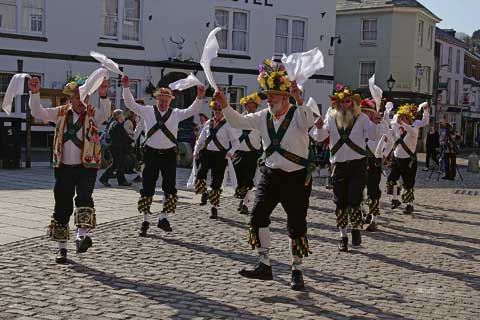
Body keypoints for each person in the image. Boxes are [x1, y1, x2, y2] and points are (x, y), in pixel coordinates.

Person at [218, 58, 314, 291]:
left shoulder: (299, 113)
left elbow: (309, 122)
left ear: (284, 97)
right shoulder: (263, 116)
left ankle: (297, 269)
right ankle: (264, 264)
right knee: (257, 216)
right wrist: (224, 105)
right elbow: (237, 121)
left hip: (297, 178)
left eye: (272, 95)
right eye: (267, 95)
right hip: (270, 175)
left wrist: (300, 99)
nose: (268, 99)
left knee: (296, 225)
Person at [28, 75, 111, 264]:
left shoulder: (93, 114)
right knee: (62, 206)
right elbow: (37, 111)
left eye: (86, 96)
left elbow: (106, 112)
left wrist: (104, 94)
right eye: (78, 96)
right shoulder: (60, 112)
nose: (82, 100)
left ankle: (81, 237)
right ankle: (62, 249)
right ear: (71, 98)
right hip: (63, 167)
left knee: (84, 199)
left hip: (86, 167)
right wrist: (34, 92)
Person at [121, 75, 206, 237]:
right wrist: (126, 87)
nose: (163, 102)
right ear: (156, 99)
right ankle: (145, 221)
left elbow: (192, 110)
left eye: (166, 100)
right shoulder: (147, 111)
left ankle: (163, 218)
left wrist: (200, 97)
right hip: (151, 154)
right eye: (161, 99)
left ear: (170, 101)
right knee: (147, 188)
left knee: (170, 188)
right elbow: (130, 104)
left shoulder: (176, 114)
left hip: (169, 155)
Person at [311, 84, 381, 252]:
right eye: (341, 102)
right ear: (337, 103)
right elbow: (319, 138)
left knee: (354, 200)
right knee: (340, 202)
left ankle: (356, 228)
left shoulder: (362, 118)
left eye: (348, 101)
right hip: (338, 166)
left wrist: (376, 123)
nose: (345, 105)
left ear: (353, 103)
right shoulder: (331, 117)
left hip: (357, 165)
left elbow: (373, 135)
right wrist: (318, 127)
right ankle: (343, 236)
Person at [193, 99, 240, 219]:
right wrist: (196, 151)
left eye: (220, 110)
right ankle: (204, 193)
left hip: (220, 156)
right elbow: (201, 139)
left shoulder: (228, 124)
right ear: (212, 110)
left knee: (216, 183)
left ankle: (213, 208)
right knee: (200, 175)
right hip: (207, 154)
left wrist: (230, 153)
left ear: (223, 111)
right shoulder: (208, 123)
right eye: (215, 109)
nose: (217, 112)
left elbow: (236, 143)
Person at [385, 103, 429, 214]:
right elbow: (386, 124)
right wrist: (387, 111)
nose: (400, 119)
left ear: (409, 118)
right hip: (396, 158)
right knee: (391, 179)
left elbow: (423, 123)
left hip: (409, 160)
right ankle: (395, 200)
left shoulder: (414, 127)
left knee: (408, 184)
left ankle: (410, 205)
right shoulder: (396, 126)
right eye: (400, 117)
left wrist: (426, 110)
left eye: (403, 117)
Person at [359, 98, 389, 232]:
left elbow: (391, 140)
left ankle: (374, 219)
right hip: (359, 160)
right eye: (363, 112)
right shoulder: (358, 124)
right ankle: (361, 212)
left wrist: (384, 154)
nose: (365, 115)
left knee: (374, 191)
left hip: (374, 161)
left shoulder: (381, 125)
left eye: (367, 112)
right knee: (358, 188)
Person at [233, 92, 263, 215]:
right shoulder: (239, 119)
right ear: (245, 107)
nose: (250, 108)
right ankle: (242, 196)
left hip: (253, 153)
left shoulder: (260, 121)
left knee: (249, 179)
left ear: (256, 107)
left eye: (253, 106)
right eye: (248, 106)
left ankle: (245, 204)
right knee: (239, 177)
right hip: (239, 153)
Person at [99, 109, 133, 187]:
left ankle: (122, 181)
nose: (124, 116)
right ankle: (103, 178)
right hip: (117, 148)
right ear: (119, 116)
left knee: (120, 164)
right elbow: (124, 137)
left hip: (116, 147)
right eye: (123, 115)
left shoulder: (114, 124)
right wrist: (132, 141)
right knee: (116, 164)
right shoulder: (117, 125)